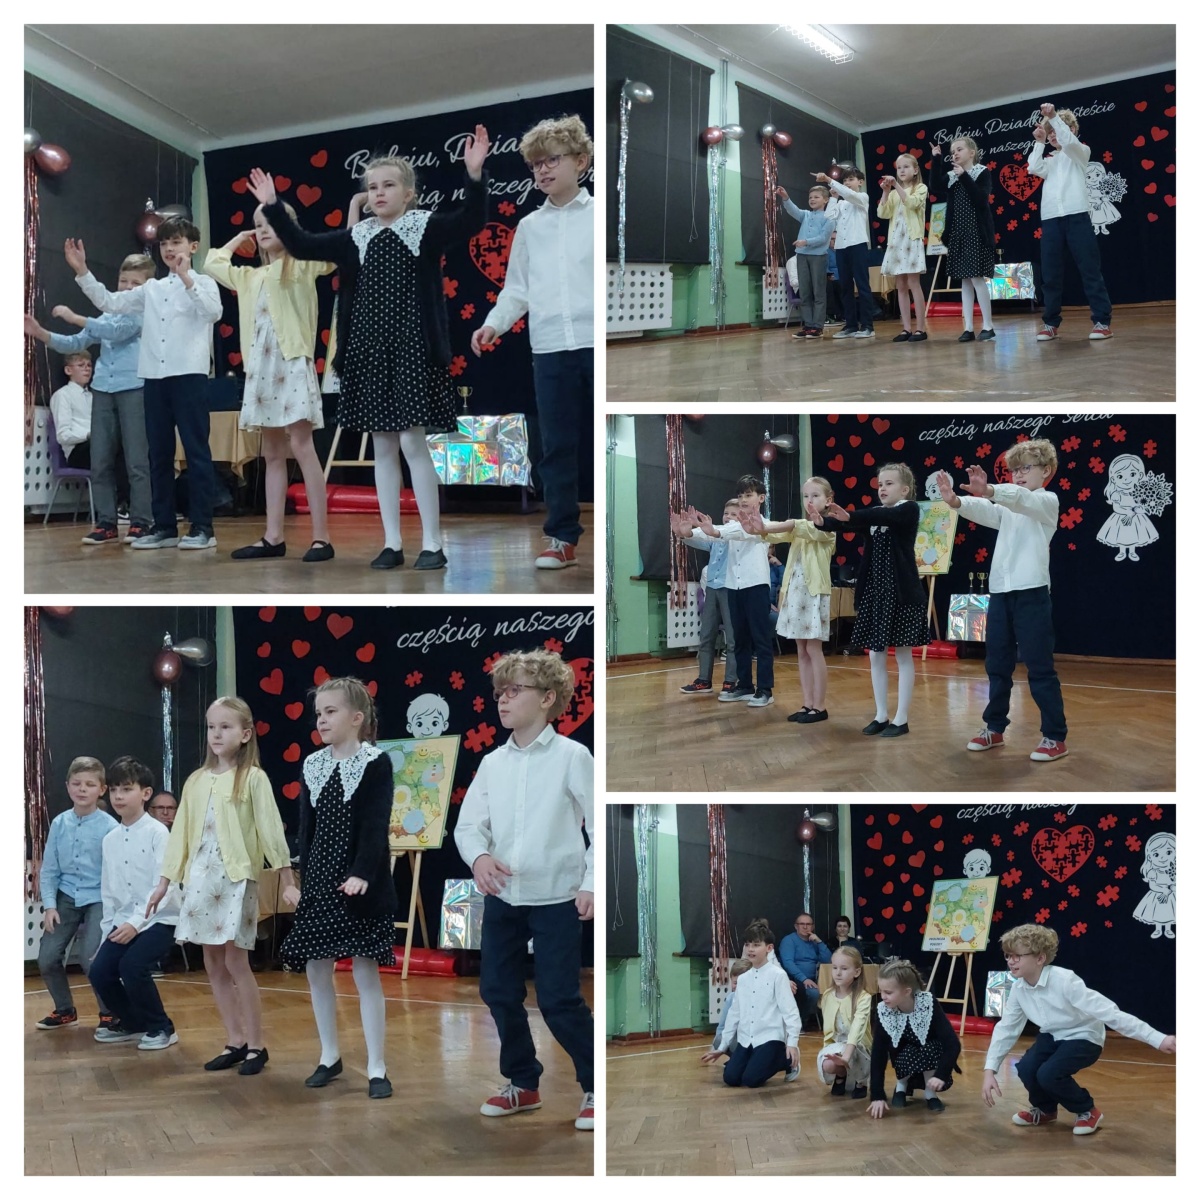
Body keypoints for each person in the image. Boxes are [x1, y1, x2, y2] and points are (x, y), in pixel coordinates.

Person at [247, 128, 490, 571]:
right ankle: (392, 543)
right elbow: (301, 244)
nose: (378, 193)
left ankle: (432, 543)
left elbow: (471, 220)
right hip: (369, 353)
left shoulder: (423, 227)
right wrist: (272, 206)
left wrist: (474, 176)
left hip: (412, 351)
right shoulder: (356, 237)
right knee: (382, 446)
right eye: (372, 187)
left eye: (388, 185)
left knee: (413, 444)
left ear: (408, 194)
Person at [454, 649, 594, 1130]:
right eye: (500, 691)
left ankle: (595, 1085)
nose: (503, 699)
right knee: (497, 990)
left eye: (515, 691)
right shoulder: (493, 763)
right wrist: (479, 857)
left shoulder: (573, 757)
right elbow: (468, 826)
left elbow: (596, 824)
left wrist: (591, 884)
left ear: (548, 698)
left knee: (558, 999)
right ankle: (523, 1083)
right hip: (503, 899)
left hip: (556, 898)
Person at [146, 697, 295, 1074]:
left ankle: (257, 1045)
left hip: (236, 878)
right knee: (212, 961)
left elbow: (271, 829)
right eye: (212, 726)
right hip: (201, 878)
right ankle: (235, 1039)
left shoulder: (253, 778)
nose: (216, 733)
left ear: (245, 734)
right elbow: (181, 833)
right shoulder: (196, 781)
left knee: (235, 960)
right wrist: (164, 881)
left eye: (225, 727)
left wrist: (287, 879)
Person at [471, 115, 593, 571]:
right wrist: (493, 324)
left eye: (552, 160)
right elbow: (517, 289)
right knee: (555, 446)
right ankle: (561, 537)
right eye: (536, 164)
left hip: (596, 344)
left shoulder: (600, 216)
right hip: (549, 348)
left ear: (580, 161)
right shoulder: (529, 226)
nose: (543, 170)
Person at [68, 222, 223, 550]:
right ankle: (164, 526)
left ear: (193, 247)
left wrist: (186, 278)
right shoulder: (152, 289)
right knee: (158, 455)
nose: (169, 249)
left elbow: (212, 312)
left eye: (176, 242)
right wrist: (82, 271)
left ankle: (203, 528)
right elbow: (111, 302)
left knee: (196, 452)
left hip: (189, 376)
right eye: (164, 243)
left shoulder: (204, 282)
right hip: (153, 377)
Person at [280, 678, 397, 1098]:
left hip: (359, 884)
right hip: (320, 881)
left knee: (365, 971)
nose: (322, 720)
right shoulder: (313, 764)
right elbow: (306, 828)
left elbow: (375, 824)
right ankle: (329, 1055)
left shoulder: (375, 763)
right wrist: (299, 878)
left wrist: (362, 872)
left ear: (356, 718)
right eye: (319, 713)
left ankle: (377, 1066)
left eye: (331, 712)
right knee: (317, 969)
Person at [204, 204, 336, 563]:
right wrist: (239, 238)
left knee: (302, 446)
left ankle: (321, 538)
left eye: (269, 224)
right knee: (272, 452)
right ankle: (273, 536)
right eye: (257, 225)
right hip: (261, 369)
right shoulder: (250, 276)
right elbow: (212, 263)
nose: (262, 230)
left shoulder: (302, 264)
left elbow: (337, 251)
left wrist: (289, 228)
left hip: (292, 363)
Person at [936, 438, 1067, 761]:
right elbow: (988, 510)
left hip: (1032, 594)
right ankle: (994, 728)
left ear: (1046, 471)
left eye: (1025, 468)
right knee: (997, 665)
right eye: (1014, 470)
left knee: (1039, 666)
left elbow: (1019, 499)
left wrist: (991, 489)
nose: (1018, 475)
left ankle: (1054, 737)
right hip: (1000, 594)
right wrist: (956, 502)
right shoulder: (1009, 507)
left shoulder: (1046, 501)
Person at [981, 924, 1176, 1134]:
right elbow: (1006, 1029)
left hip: (1084, 1036)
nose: (1010, 961)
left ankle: (1087, 1111)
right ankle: (1045, 1110)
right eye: (1008, 955)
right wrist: (990, 1071)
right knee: (1027, 1068)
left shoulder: (1065, 980)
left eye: (1017, 956)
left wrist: (1157, 1038)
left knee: (1048, 1074)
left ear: (1040, 958)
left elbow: (1110, 1013)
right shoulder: (1018, 988)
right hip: (1052, 1035)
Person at [26, 252, 155, 544]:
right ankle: (106, 523)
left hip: (134, 388)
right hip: (103, 390)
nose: (127, 288)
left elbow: (116, 332)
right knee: (100, 461)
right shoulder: (108, 313)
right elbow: (76, 342)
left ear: (147, 287)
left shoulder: (143, 312)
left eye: (135, 283)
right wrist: (42, 334)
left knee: (136, 460)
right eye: (123, 281)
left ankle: (141, 522)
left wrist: (76, 317)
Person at [812, 462, 928, 737]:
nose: (882, 488)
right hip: (876, 594)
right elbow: (849, 524)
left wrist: (850, 515)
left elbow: (873, 517)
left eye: (889, 483)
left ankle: (901, 719)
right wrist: (824, 522)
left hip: (901, 595)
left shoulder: (908, 509)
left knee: (903, 654)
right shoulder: (876, 515)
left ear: (905, 489)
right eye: (880, 484)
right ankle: (881, 715)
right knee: (876, 654)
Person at [90, 756, 181, 1050]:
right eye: (114, 789)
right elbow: (109, 893)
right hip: (124, 919)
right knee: (99, 971)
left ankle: (162, 1027)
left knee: (132, 966)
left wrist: (136, 923)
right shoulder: (110, 839)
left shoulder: (158, 833)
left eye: (127, 789)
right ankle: (133, 1022)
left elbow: (163, 886)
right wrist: (106, 936)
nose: (118, 796)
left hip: (160, 918)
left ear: (145, 793)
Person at [738, 477, 837, 723]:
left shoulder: (829, 526)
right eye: (806, 496)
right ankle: (807, 703)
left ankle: (820, 706)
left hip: (814, 594)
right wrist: (758, 530)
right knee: (802, 649)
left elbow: (795, 526)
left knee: (813, 649)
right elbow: (777, 535)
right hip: (796, 593)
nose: (809, 500)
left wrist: (764, 527)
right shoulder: (800, 528)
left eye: (815, 495)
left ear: (829, 500)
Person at [35, 756, 117, 1031]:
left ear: (102, 789)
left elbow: (116, 874)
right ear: (68, 786)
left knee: (91, 959)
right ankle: (64, 1010)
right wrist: (50, 906)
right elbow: (49, 870)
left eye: (90, 784)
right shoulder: (59, 824)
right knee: (47, 958)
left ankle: (110, 1012)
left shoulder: (110, 827)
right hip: (66, 896)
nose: (82, 789)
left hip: (99, 898)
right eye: (77, 783)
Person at [681, 475, 775, 708]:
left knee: (760, 640)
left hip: (756, 586)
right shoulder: (731, 526)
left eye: (749, 495)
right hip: (734, 587)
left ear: (761, 498)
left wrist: (712, 531)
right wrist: (688, 532)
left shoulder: (765, 524)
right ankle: (745, 685)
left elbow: (732, 532)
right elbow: (718, 532)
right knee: (740, 639)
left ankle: (765, 689)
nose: (743, 499)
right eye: (741, 495)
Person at [1029, 104, 1114, 341]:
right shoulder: (1050, 161)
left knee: (1090, 270)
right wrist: (1039, 142)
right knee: (1051, 274)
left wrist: (1054, 118)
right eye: (1050, 132)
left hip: (1077, 217)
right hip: (1051, 220)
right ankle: (1050, 323)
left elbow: (1069, 142)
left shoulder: (1081, 152)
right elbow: (1033, 167)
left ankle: (1102, 321)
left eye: (1056, 130)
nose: (1053, 135)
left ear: (1072, 129)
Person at [700, 919, 801, 1087]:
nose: (750, 949)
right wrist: (722, 1047)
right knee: (731, 1078)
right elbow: (734, 1014)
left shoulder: (778, 975)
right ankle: (754, 1061)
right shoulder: (743, 979)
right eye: (747, 945)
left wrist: (792, 1043)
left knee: (751, 1080)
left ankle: (786, 1060)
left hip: (770, 1038)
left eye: (756, 945)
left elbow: (790, 1012)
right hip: (746, 1039)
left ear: (769, 948)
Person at [868, 958, 961, 1115]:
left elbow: (952, 1043)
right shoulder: (884, 1011)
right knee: (906, 1052)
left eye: (888, 992)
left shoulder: (927, 1003)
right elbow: (878, 1053)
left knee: (930, 1048)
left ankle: (930, 1093)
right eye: (881, 991)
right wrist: (877, 1095)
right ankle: (901, 1086)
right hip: (903, 1057)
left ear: (907, 991)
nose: (882, 996)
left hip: (929, 1055)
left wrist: (941, 1075)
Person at [931, 137, 996, 342]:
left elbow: (981, 200)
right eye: (953, 151)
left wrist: (964, 176)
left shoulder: (981, 172)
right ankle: (968, 327)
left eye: (959, 149)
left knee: (976, 278)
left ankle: (988, 325)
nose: (955, 153)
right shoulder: (952, 176)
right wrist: (936, 159)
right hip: (958, 233)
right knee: (965, 280)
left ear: (972, 153)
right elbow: (934, 185)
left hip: (975, 232)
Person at [674, 499, 740, 695]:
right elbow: (699, 539)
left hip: (730, 589)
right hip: (712, 588)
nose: (728, 517)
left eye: (734, 514)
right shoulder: (714, 535)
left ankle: (731, 681)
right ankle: (704, 680)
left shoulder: (739, 535)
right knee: (706, 636)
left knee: (733, 638)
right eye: (726, 513)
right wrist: (684, 533)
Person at [815, 166, 879, 339]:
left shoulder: (862, 197)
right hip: (841, 247)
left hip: (858, 245)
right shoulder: (841, 203)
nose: (847, 183)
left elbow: (850, 195)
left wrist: (830, 180)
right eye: (845, 180)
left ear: (860, 182)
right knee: (845, 287)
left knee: (862, 285)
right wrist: (834, 198)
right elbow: (829, 216)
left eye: (851, 179)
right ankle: (850, 325)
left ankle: (867, 326)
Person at [878, 154, 929, 342]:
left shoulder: (921, 188)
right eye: (899, 168)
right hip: (896, 241)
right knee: (900, 285)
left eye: (906, 167)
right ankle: (906, 328)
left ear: (915, 170)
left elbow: (912, 203)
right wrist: (886, 191)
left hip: (911, 240)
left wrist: (896, 186)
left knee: (914, 283)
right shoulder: (893, 194)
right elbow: (882, 213)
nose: (901, 170)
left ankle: (920, 329)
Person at [777, 183, 833, 339]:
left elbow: (823, 238)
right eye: (810, 197)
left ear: (826, 200)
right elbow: (793, 210)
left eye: (816, 197)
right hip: (801, 256)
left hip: (818, 257)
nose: (812, 200)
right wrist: (786, 198)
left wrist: (806, 242)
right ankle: (808, 325)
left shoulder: (829, 217)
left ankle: (818, 327)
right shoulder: (806, 215)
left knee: (818, 292)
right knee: (805, 291)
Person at [817, 946, 873, 1098]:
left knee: (854, 1052)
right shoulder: (827, 995)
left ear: (857, 972)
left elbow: (857, 1029)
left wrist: (846, 1057)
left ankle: (861, 1081)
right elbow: (829, 1030)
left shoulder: (863, 997)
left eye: (844, 968)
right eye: (834, 967)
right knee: (828, 1064)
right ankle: (841, 1075)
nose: (838, 973)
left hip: (858, 1046)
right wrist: (832, 1053)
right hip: (837, 1043)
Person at [779, 912, 832, 1027]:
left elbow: (829, 960)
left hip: (816, 979)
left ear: (812, 927)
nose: (805, 927)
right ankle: (801, 1021)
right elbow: (788, 963)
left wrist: (819, 942)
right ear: (796, 926)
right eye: (802, 924)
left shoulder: (814, 942)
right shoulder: (789, 940)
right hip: (795, 980)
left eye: (808, 924)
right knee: (813, 993)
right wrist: (804, 979)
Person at [45, 350, 93, 468]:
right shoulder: (62, 395)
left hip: (95, 445)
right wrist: (89, 435)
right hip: (78, 451)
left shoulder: (93, 397)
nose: (87, 369)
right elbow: (63, 436)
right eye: (81, 365)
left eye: (89, 365)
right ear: (68, 370)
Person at [711, 957, 753, 1050]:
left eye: (742, 983)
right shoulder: (731, 998)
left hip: (755, 1039)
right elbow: (721, 1027)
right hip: (737, 1038)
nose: (738, 987)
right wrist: (715, 1050)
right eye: (735, 983)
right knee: (718, 1041)